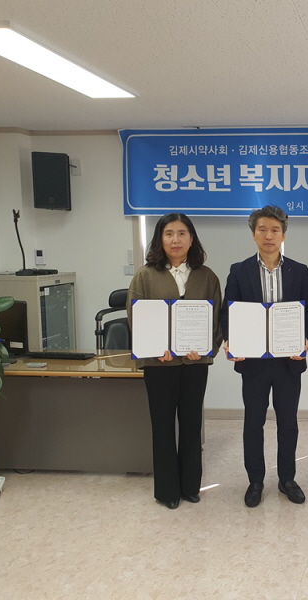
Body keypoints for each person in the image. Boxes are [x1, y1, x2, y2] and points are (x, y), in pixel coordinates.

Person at [221, 205, 308, 508]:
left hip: (289, 362)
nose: (268, 235)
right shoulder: (239, 271)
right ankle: (255, 481)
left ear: (283, 235)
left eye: (275, 230)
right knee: (254, 422)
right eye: (262, 229)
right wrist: (231, 341)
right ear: (253, 234)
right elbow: (229, 311)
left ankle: (287, 479)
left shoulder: (299, 270)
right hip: (253, 363)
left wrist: (304, 339)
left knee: (288, 423)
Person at [127, 213, 223, 509]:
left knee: (192, 426)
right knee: (163, 427)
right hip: (159, 366)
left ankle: (191, 486)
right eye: (169, 233)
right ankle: (167, 491)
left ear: (192, 239)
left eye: (182, 233)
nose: (176, 240)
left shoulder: (207, 276)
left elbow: (217, 320)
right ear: (160, 239)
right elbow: (135, 318)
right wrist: (153, 348)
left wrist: (206, 350)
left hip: (195, 365)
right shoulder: (145, 276)